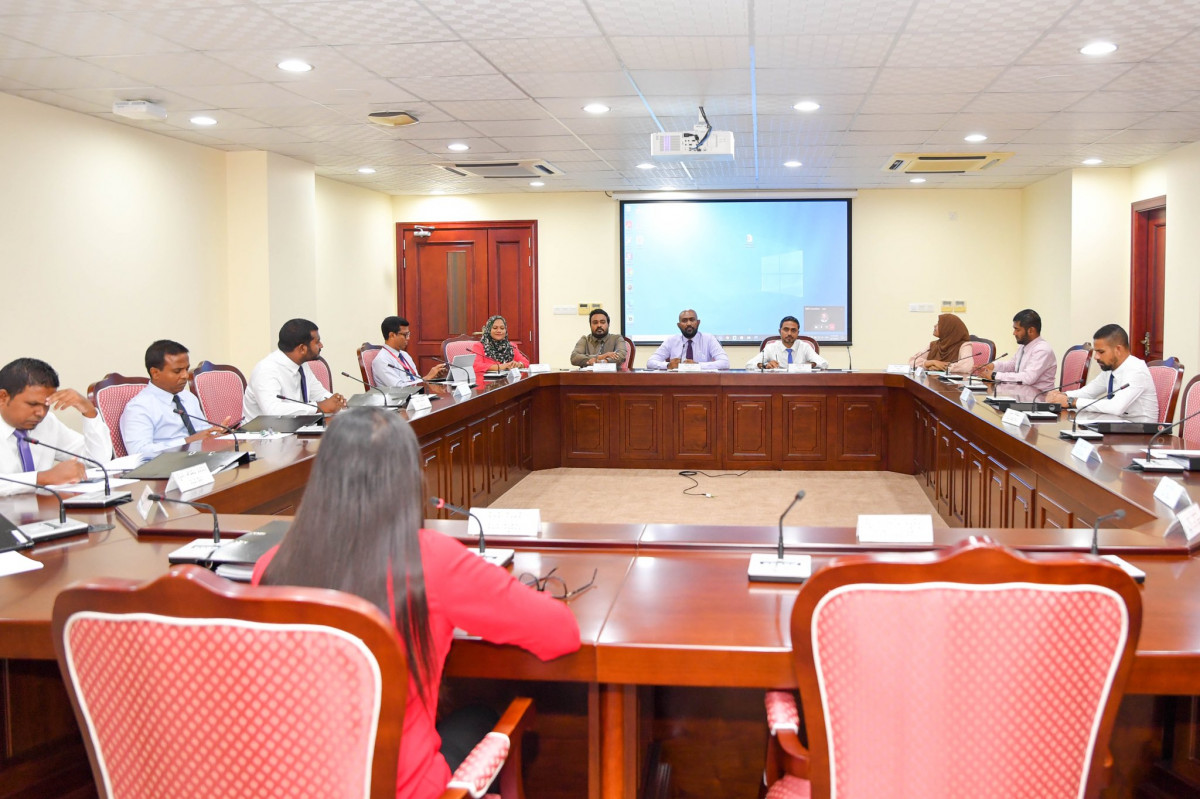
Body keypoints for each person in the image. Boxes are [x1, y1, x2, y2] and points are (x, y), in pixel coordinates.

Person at [253, 408, 579, 799]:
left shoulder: (271, 564)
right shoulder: (430, 558)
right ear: (408, 479)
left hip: (293, 783)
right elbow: (561, 633)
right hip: (402, 787)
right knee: (483, 713)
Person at [0, 357, 111, 496]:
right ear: (2, 397)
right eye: (33, 404)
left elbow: (97, 462)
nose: (41, 413)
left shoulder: (47, 423)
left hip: (44, 506)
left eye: (46, 405)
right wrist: (42, 478)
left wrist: (89, 411)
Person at [119, 340, 229, 456]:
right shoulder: (139, 407)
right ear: (155, 373)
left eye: (186, 369)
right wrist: (187, 441)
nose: (185, 375)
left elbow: (202, 432)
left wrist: (216, 434)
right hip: (168, 464)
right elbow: (139, 452)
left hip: (202, 458)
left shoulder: (188, 397)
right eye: (177, 371)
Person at [1045, 324, 1159, 423]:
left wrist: (1071, 402)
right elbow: (1088, 393)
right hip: (1116, 426)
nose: (1096, 357)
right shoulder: (1110, 369)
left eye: (1101, 352)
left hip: (1139, 433)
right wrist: (1062, 396)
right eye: (1096, 352)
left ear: (1118, 350)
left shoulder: (1136, 370)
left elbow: (1116, 407)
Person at [243, 318, 347, 417]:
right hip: (264, 429)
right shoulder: (266, 370)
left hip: (297, 426)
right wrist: (318, 407)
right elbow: (273, 410)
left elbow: (318, 393)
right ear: (302, 348)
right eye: (317, 342)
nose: (321, 345)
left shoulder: (302, 365)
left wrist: (336, 401)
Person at [973, 309, 1057, 393]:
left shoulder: (1042, 350)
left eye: (1017, 330)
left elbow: (1027, 378)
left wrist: (994, 375)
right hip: (1022, 395)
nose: (1014, 333)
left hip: (1040, 398)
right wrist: (992, 366)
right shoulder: (1023, 346)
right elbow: (1012, 365)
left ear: (1031, 330)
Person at [373, 316, 447, 387]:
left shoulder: (404, 355)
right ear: (392, 335)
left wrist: (433, 377)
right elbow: (399, 388)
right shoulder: (382, 360)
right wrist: (427, 378)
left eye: (408, 334)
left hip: (416, 394)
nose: (408, 338)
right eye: (405, 335)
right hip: (400, 396)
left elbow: (416, 380)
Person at [646, 309, 730, 370]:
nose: (689, 323)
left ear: (698, 323)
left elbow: (725, 363)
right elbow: (650, 362)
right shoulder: (671, 340)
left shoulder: (709, 339)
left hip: (703, 382)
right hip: (677, 382)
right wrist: (668, 365)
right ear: (679, 325)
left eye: (692, 320)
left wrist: (698, 365)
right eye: (684, 321)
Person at [747, 316, 828, 370]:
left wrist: (807, 366)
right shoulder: (770, 347)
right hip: (776, 384)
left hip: (800, 383)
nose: (789, 333)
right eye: (786, 329)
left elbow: (824, 363)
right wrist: (765, 365)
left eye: (793, 330)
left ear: (798, 333)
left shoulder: (804, 347)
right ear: (780, 331)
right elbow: (749, 364)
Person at [470, 315, 530, 384]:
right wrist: (501, 367)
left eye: (502, 328)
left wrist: (518, 364)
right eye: (495, 328)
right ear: (488, 329)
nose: (499, 331)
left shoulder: (511, 346)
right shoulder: (479, 346)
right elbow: (476, 366)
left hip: (510, 382)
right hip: (488, 385)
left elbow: (525, 361)